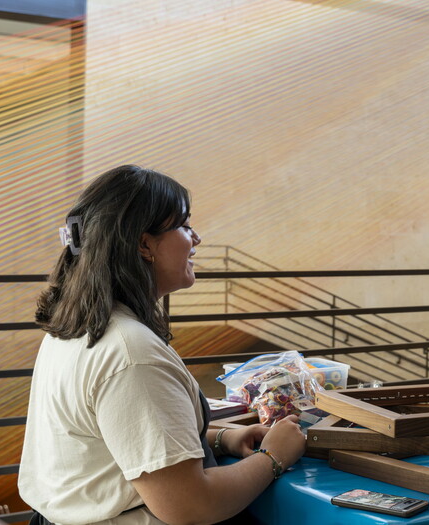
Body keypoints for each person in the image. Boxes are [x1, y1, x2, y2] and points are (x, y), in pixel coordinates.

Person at [18, 165, 306, 525]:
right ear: (143, 244)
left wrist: (222, 439)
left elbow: (114, 440)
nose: (196, 238)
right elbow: (191, 505)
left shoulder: (77, 328)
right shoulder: (129, 353)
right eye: (184, 225)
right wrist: (273, 458)